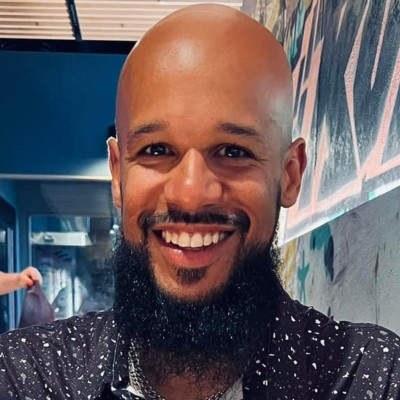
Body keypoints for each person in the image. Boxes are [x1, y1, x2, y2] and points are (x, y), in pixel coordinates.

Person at [0, 4, 399, 400]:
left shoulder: (372, 377)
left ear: (290, 175)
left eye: (233, 151)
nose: (190, 194)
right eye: (156, 150)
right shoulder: (24, 373)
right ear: (118, 174)